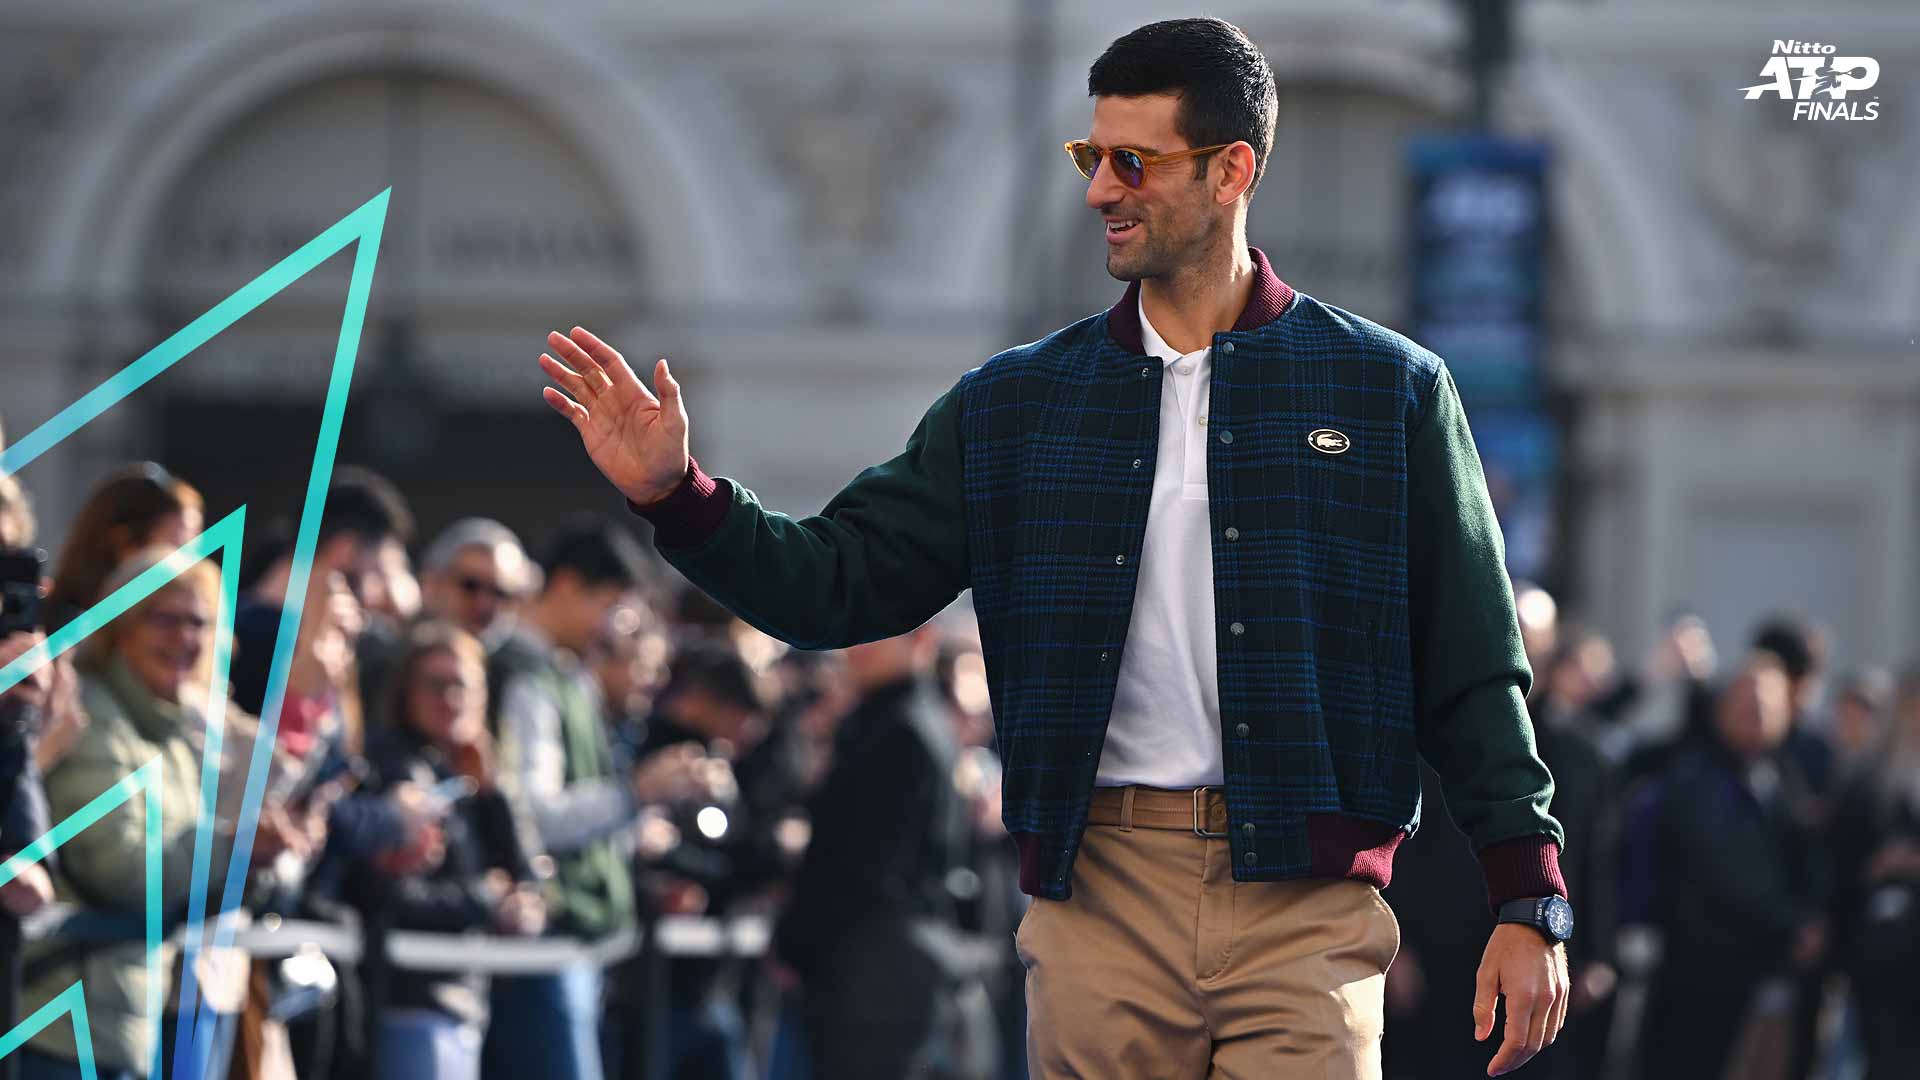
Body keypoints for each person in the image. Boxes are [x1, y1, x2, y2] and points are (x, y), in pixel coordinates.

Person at [539, 16, 1571, 1079]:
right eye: (1092, 157)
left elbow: (1471, 662)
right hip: (1100, 898)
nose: (1099, 191)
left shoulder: (1388, 390)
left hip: (1306, 906)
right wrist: (678, 494)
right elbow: (836, 583)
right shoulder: (1017, 404)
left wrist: (1528, 894)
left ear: (1232, 171)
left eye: (1135, 161)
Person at [16, 549, 318, 1080]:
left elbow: (200, 886)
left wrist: (262, 858)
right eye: (162, 618)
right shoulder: (90, 718)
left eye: (197, 622)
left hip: (127, 1026)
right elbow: (123, 871)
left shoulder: (179, 731)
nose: (183, 638)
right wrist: (236, 847)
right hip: (56, 1029)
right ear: (120, 628)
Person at [773, 623, 997, 1080]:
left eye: (877, 635)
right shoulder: (902, 719)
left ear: (920, 641)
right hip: (885, 962)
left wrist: (796, 941)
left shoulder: (903, 727)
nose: (856, 647)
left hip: (874, 970)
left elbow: (861, 860)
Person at [345, 619, 545, 1080]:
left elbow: (528, 875)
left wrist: (495, 792)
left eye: (464, 686)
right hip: (411, 1003)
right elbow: (391, 896)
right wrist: (487, 899)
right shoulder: (393, 774)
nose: (451, 699)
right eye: (435, 684)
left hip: (469, 1002)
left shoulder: (469, 773)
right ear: (404, 691)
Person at [1635, 650, 1826, 1080]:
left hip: (1749, 970)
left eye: (1765, 708)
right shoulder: (1700, 776)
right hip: (1699, 974)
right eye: (1745, 705)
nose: (1755, 716)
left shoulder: (1774, 774)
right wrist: (1794, 923)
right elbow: (1725, 869)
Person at [417, 519, 539, 648]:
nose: (484, 604)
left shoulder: (527, 663)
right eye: (470, 586)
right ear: (432, 584)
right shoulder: (399, 660)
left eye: (499, 593)